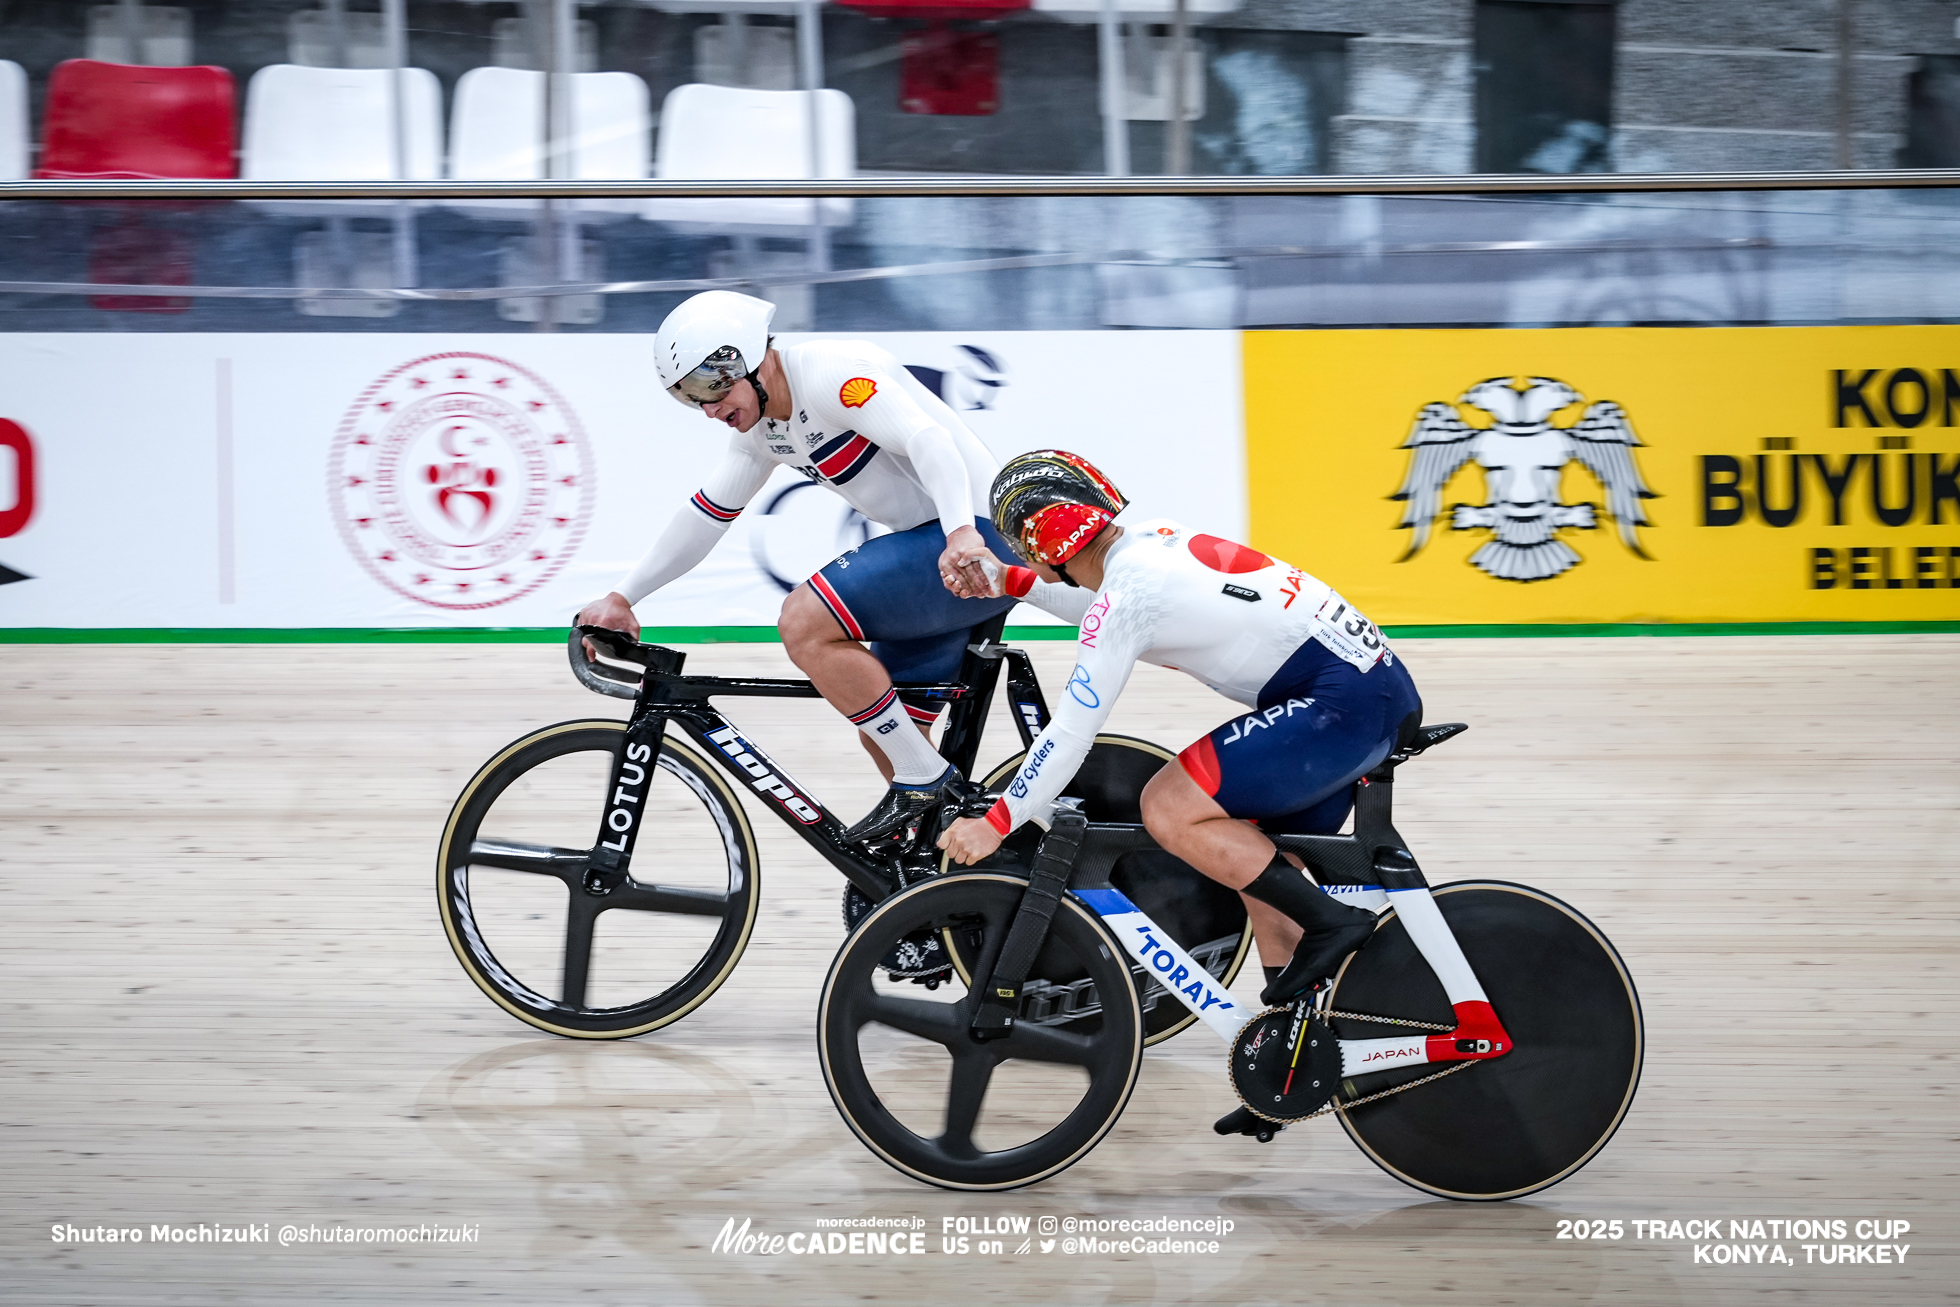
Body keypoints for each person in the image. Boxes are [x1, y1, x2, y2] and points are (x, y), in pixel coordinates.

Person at [939, 450, 1422, 1011]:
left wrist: (998, 822)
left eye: (1017, 547)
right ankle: (1292, 1046)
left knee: (1170, 806)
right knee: (1256, 859)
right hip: (1363, 692)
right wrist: (1011, 582)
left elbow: (1072, 732)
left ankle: (1334, 924)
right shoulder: (1146, 541)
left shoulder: (1127, 597)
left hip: (1342, 705)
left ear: (1042, 544)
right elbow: (1102, 602)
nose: (1016, 555)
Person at [575, 290, 1014, 842]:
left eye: (709, 387)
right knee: (889, 732)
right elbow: (706, 516)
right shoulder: (760, 432)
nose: (707, 410)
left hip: (976, 536)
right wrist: (623, 597)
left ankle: (925, 779)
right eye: (688, 397)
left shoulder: (834, 374)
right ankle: (958, 871)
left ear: (748, 359)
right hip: (943, 547)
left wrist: (960, 534)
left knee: (804, 620)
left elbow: (930, 441)